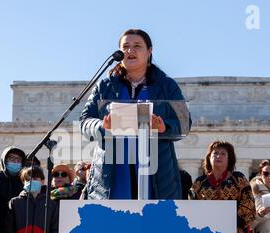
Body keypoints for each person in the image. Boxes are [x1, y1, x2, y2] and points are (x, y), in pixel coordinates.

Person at [80, 28, 191, 200]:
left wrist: (164, 127)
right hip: (111, 172)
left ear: (149, 51)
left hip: (157, 172)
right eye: (125, 47)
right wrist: (101, 126)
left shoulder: (167, 86)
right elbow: (85, 121)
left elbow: (184, 122)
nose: (130, 51)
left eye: (137, 46)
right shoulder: (105, 86)